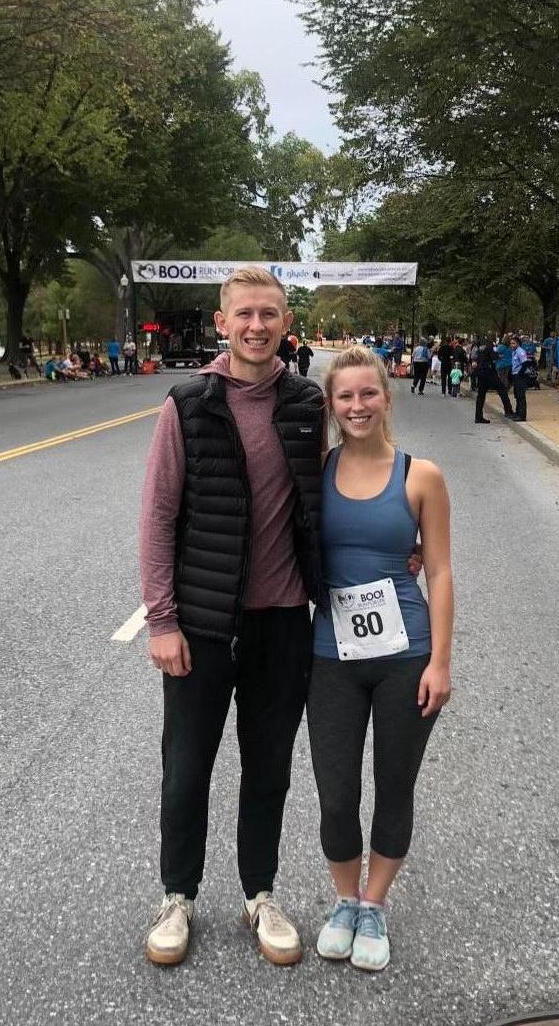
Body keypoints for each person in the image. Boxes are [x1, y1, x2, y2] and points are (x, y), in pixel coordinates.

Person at [139, 266, 326, 969]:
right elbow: (158, 517)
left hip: (282, 622)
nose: (256, 324)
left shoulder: (307, 402)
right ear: (223, 322)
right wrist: (162, 619)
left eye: (269, 313)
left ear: (285, 322)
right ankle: (177, 895)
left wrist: (395, 547)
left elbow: (325, 500)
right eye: (244, 313)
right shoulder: (187, 405)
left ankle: (260, 892)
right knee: (186, 767)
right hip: (204, 622)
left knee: (269, 767)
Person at [308, 345, 452, 973]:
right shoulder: (312, 471)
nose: (357, 406)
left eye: (368, 394)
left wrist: (440, 661)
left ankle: (374, 903)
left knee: (395, 786)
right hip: (329, 656)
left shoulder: (422, 476)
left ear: (387, 398)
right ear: (332, 405)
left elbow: (441, 570)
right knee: (336, 793)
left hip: (405, 655)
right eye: (345, 396)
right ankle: (344, 898)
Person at [472, 341, 515, 423]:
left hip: (480, 373)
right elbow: (495, 358)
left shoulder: (480, 350)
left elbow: (475, 359)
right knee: (502, 390)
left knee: (480, 396)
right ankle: (508, 410)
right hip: (489, 373)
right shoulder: (490, 348)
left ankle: (478, 416)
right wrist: (499, 356)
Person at [509, 335, 533, 421]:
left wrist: (520, 374)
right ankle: (517, 413)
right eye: (511, 343)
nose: (512, 345)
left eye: (513, 343)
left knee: (521, 396)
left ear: (518, 343)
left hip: (521, 376)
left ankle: (522, 415)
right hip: (515, 375)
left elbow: (525, 363)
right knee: (517, 395)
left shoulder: (520, 351)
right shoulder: (514, 352)